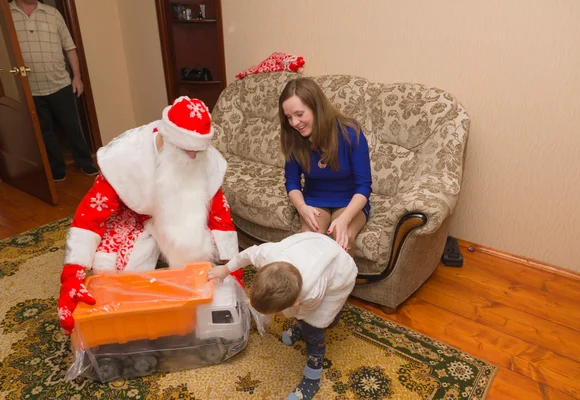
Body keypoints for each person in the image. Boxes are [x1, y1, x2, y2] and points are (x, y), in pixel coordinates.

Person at [57, 96, 243, 335]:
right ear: (168, 138)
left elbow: (220, 219)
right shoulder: (126, 156)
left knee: (200, 280)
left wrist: (234, 270)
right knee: (115, 280)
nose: (195, 158)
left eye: (199, 151)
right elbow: (89, 217)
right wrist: (72, 276)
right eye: (188, 150)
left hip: (178, 216)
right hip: (133, 214)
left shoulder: (207, 160)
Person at [208, 232, 358, 400]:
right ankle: (303, 326)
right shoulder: (267, 255)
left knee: (314, 327)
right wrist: (226, 269)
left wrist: (298, 316)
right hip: (314, 247)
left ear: (295, 302)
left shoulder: (311, 294)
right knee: (303, 318)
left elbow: (303, 312)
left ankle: (312, 378)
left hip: (339, 272)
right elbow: (247, 254)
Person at [279, 78, 372, 256]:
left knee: (343, 240)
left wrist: (345, 219)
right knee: (309, 241)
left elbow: (364, 186)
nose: (294, 123)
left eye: (300, 114)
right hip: (314, 200)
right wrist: (302, 208)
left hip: (349, 201)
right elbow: (292, 183)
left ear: (317, 107)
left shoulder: (350, 132)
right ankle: (314, 284)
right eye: (289, 117)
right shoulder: (292, 136)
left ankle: (343, 284)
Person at [10, 0, 98, 182]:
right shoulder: (6, 15)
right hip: (29, 89)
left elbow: (70, 48)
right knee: (44, 131)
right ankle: (57, 168)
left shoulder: (53, 13)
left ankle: (84, 161)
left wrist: (77, 77)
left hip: (60, 84)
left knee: (72, 126)